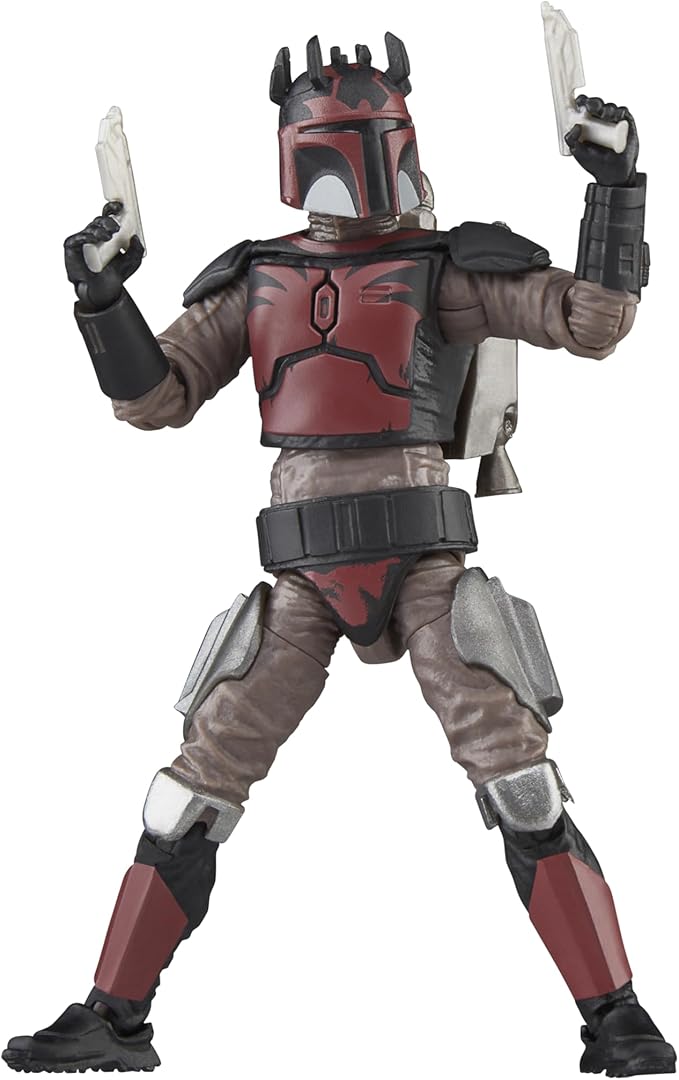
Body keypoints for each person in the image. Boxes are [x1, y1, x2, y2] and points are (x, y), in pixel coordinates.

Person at [3, 34, 674, 1078]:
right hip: (301, 574)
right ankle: (112, 1018)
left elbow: (592, 323)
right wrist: (102, 299)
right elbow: (154, 398)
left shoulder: (445, 265)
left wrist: (617, 188)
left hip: (424, 562)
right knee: (189, 791)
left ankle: (618, 1019)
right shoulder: (257, 277)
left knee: (521, 783)